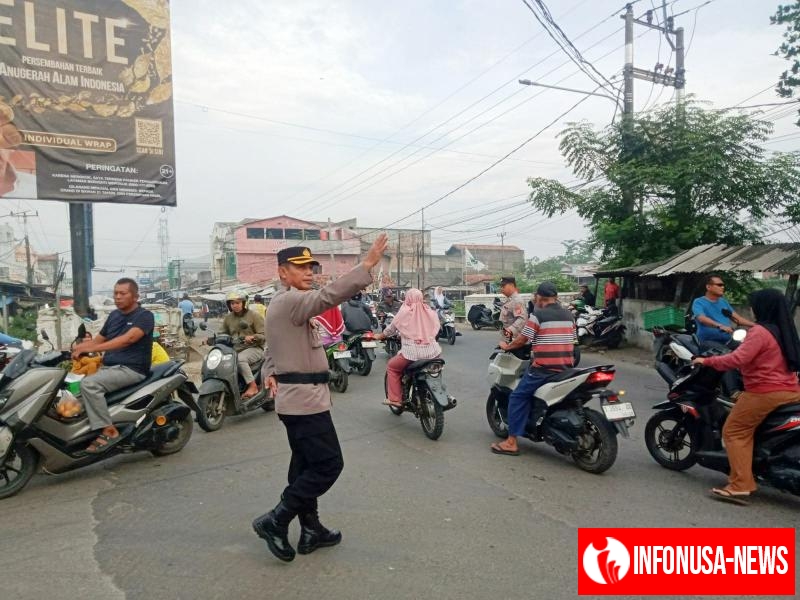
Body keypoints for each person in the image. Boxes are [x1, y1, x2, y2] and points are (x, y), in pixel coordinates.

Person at [255, 234, 388, 562]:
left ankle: (311, 529)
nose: (309, 272)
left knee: (304, 466)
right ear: (282, 272)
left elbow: (274, 345)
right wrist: (366, 265)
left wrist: (269, 370)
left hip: (302, 399)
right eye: (300, 267)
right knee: (329, 464)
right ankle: (277, 519)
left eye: (311, 267)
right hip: (303, 402)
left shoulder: (284, 303)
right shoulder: (291, 301)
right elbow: (328, 296)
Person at [692, 289, 800, 504]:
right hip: (791, 391)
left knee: (734, 431)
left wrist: (706, 361)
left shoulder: (760, 332)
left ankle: (740, 485)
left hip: (765, 392)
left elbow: (737, 359)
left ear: (762, 307)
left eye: (754, 305)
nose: (751, 309)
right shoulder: (782, 329)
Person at [490, 281, 577, 457]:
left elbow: (523, 339)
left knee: (517, 396)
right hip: (566, 368)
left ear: (539, 297)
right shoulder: (569, 315)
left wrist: (507, 346)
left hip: (543, 369)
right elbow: (573, 340)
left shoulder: (538, 315)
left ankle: (511, 442)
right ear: (555, 297)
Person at [70, 278, 154, 454]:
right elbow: (97, 341)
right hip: (109, 368)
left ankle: (109, 431)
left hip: (131, 369)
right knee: (71, 401)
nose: (117, 297)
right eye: (115, 293)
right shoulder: (114, 316)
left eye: (122, 293)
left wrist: (92, 348)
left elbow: (128, 339)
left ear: (135, 296)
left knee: (89, 384)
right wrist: (77, 348)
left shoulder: (144, 316)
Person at [374, 288, 442, 408]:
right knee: (434, 371)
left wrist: (380, 336)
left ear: (407, 298)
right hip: (433, 352)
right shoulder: (430, 311)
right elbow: (437, 328)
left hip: (412, 354)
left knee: (392, 367)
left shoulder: (404, 311)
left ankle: (395, 399)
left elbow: (391, 329)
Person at [221, 290, 265, 399]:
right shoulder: (228, 318)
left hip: (254, 348)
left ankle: (253, 386)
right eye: (232, 303)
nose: (235, 305)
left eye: (238, 303)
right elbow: (222, 333)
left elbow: (264, 335)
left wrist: (253, 337)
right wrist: (210, 339)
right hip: (235, 349)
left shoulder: (254, 316)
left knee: (240, 360)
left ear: (244, 303)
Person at [692, 274, 755, 346]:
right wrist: (720, 326)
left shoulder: (723, 302)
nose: (722, 287)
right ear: (708, 287)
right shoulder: (698, 302)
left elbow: (738, 319)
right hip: (708, 341)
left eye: (723, 285)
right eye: (719, 285)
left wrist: (756, 325)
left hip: (727, 341)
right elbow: (702, 318)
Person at [498, 276, 528, 341]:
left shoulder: (517, 300)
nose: (501, 289)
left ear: (511, 285)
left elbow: (522, 319)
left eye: (503, 286)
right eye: (501, 287)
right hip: (509, 338)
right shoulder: (510, 300)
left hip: (514, 339)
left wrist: (509, 330)